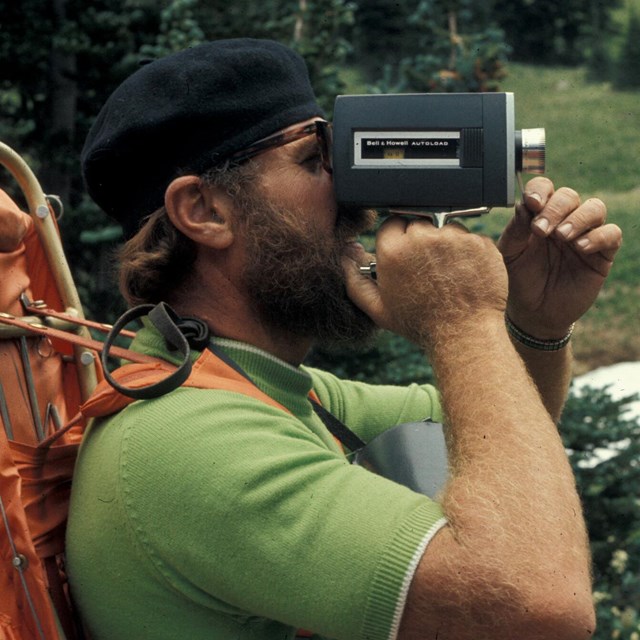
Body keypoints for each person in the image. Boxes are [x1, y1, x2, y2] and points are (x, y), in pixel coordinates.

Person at [66, 38, 622, 640]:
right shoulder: (189, 444)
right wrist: (463, 321)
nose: (355, 192)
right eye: (315, 159)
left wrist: (533, 327)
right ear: (204, 211)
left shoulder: (259, 387)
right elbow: (540, 608)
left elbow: (496, 431)